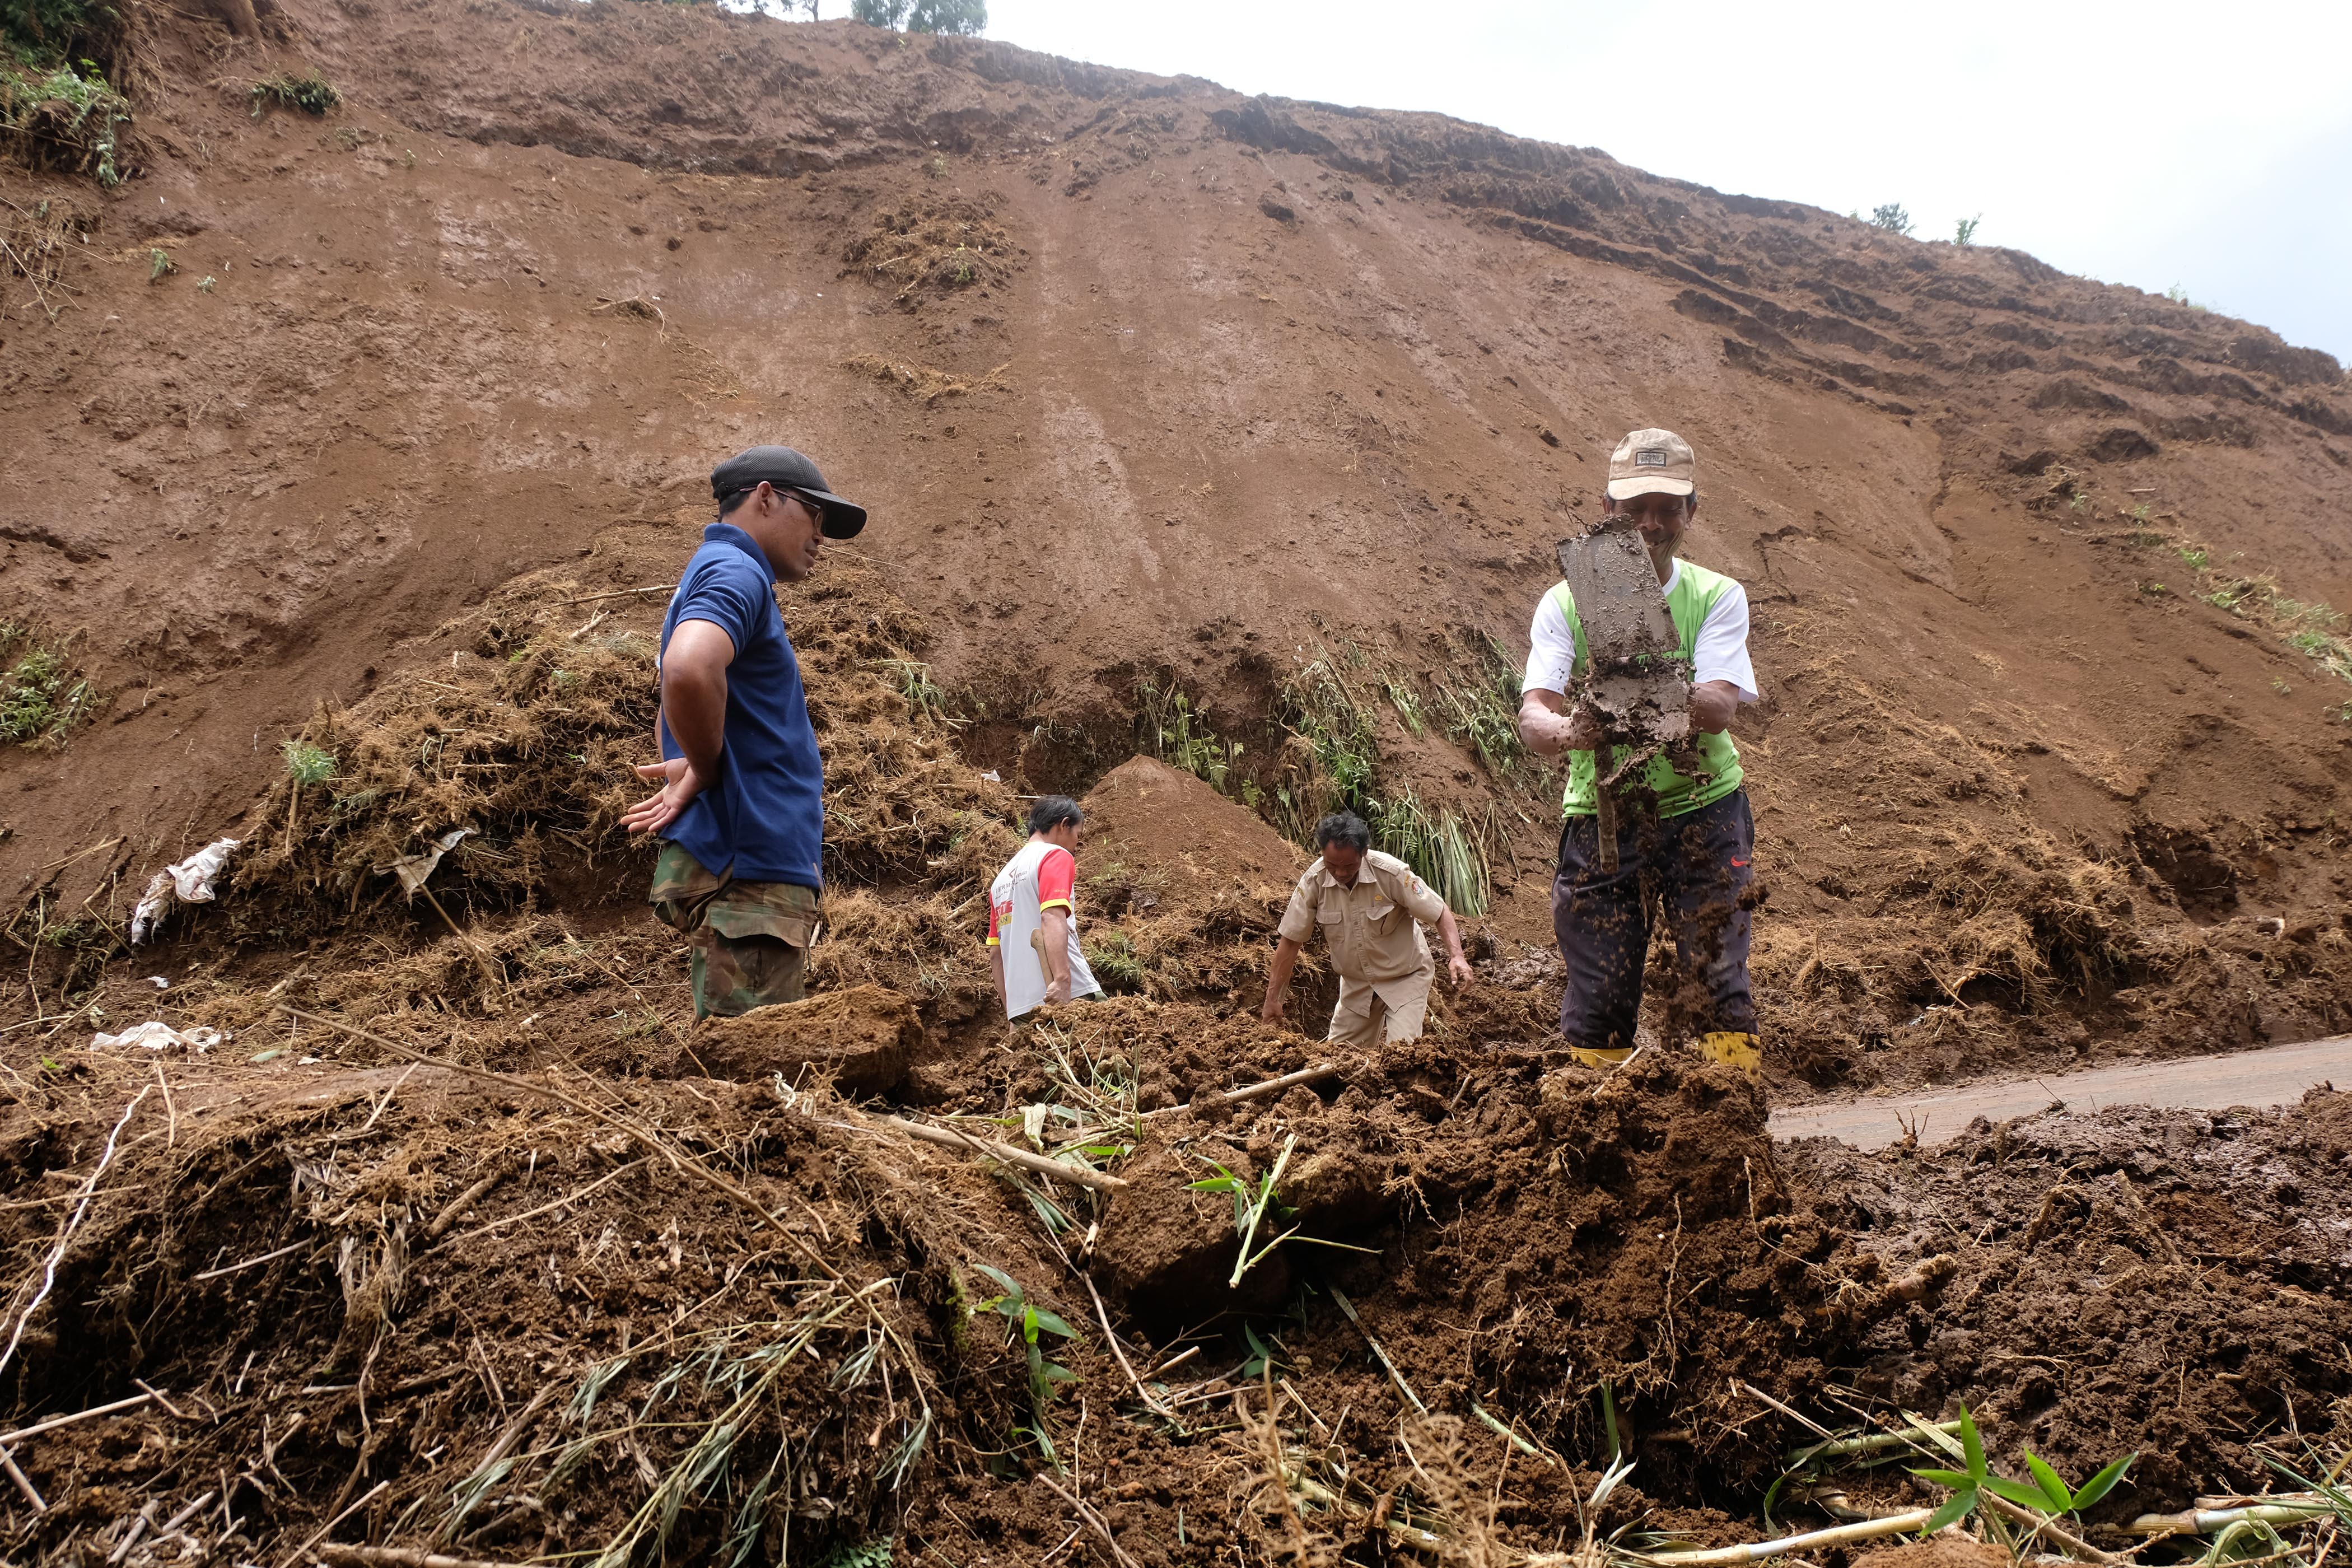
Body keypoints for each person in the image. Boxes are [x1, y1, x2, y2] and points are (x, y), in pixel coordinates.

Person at [1515, 427, 1762, 1072]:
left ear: (1692, 513)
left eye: (1668, 507)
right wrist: (1576, 731)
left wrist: (1626, 687)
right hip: (1604, 816)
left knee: (1718, 986)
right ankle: (1597, 1131)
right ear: (1607, 510)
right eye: (1634, 509)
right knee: (1599, 997)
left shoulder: (1715, 595)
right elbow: (1534, 718)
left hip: (1704, 810)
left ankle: (1732, 1136)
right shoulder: (1565, 601)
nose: (1652, 524)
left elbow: (1716, 709)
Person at [620, 445, 867, 1018]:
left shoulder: (718, 572)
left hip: (747, 860)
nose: (821, 536)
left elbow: (675, 686)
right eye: (815, 514)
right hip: (754, 868)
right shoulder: (737, 570)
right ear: (764, 496)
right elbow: (687, 668)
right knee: (751, 1075)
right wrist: (705, 768)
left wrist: (689, 757)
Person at [1261, 811, 1476, 1050]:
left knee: (1401, 1057)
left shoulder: (1391, 873)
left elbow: (1438, 911)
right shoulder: (1314, 882)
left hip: (1404, 978)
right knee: (1339, 1062)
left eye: (1349, 865)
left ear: (1364, 853)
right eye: (1333, 865)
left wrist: (1457, 956)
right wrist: (1273, 1000)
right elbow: (1290, 942)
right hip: (1357, 985)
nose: (1341, 873)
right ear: (1322, 854)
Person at [988, 795, 1104, 1020]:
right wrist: (1062, 981)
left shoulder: (999, 881)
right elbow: (1051, 917)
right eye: (1077, 835)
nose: (1076, 845)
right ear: (1064, 825)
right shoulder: (1054, 856)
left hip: (1022, 1009)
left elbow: (996, 954)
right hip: (1071, 995)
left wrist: (1012, 1013)